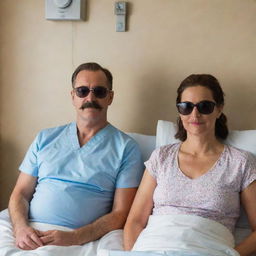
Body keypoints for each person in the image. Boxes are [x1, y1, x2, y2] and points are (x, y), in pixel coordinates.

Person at [8, 62, 144, 250]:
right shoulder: (45, 138)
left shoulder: (126, 148)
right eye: (82, 91)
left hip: (81, 238)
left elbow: (121, 213)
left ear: (110, 97)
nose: (90, 97)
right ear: (73, 96)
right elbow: (20, 194)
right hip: (29, 230)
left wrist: (75, 237)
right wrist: (21, 228)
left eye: (99, 91)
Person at [123, 74, 256, 256]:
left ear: (219, 109)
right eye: (186, 107)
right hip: (152, 247)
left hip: (208, 249)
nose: (195, 114)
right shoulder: (161, 157)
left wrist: (232, 255)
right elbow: (135, 221)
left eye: (205, 106)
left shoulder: (240, 162)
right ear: (179, 111)